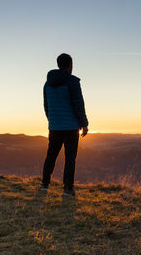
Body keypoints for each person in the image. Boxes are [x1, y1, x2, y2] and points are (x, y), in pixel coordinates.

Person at [40, 53, 89, 196]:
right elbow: (78, 104)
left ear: (58, 64)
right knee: (70, 158)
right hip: (71, 127)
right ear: (69, 65)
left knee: (51, 155)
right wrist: (84, 124)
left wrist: (52, 120)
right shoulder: (72, 82)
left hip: (54, 126)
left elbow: (46, 105)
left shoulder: (47, 83)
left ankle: (44, 184)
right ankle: (68, 189)